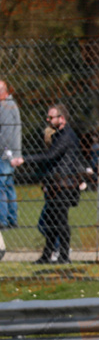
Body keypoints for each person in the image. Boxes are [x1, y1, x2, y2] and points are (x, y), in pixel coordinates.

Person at [11, 104, 82, 264]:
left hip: (64, 185)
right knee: (50, 222)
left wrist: (24, 160)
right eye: (48, 117)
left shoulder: (66, 136)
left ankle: (64, 256)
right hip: (55, 185)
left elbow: (50, 156)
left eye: (51, 117)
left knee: (61, 222)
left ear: (61, 119)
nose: (47, 120)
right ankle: (47, 255)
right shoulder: (59, 135)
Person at [0, 79, 22, 228]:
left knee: (1, 186)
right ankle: (11, 219)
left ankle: (3, 220)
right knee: (8, 186)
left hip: (5, 154)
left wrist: (7, 154)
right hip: (10, 154)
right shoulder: (9, 105)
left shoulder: (6, 107)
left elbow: (6, 135)